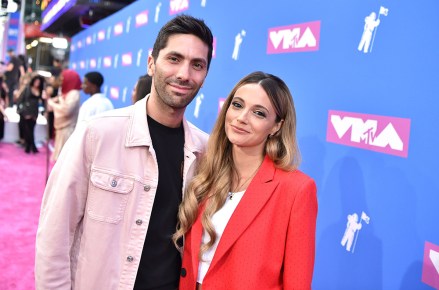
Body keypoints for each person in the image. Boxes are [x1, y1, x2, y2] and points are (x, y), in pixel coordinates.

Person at [35, 14, 214, 290]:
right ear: (151, 63)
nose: (184, 74)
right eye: (174, 59)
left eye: (197, 65)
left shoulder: (205, 151)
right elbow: (54, 234)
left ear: (205, 76)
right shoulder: (97, 134)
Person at [175, 71, 318, 290]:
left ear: (277, 126)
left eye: (259, 113)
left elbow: (297, 283)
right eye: (237, 105)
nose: (241, 118)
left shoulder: (296, 189)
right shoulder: (206, 172)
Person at [47, 69, 82, 161]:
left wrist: (52, 104)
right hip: (61, 129)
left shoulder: (74, 94)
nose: (61, 81)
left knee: (63, 159)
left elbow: (67, 110)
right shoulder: (66, 93)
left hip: (67, 130)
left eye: (63, 79)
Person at [16, 74, 44, 153]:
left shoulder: (40, 90)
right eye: (36, 81)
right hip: (26, 110)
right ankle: (31, 146)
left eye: (39, 82)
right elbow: (20, 99)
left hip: (35, 112)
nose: (37, 83)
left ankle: (29, 146)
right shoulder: (27, 88)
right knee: (27, 130)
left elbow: (42, 102)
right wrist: (19, 109)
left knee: (31, 129)